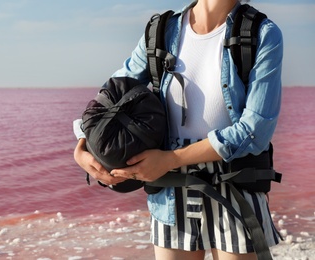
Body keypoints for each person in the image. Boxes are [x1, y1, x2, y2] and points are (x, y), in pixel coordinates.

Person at [74, 0, 283, 259]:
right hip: (169, 192)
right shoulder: (161, 31)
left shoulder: (261, 33)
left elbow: (256, 130)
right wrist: (82, 147)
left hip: (234, 184)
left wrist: (171, 159)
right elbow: (110, 96)